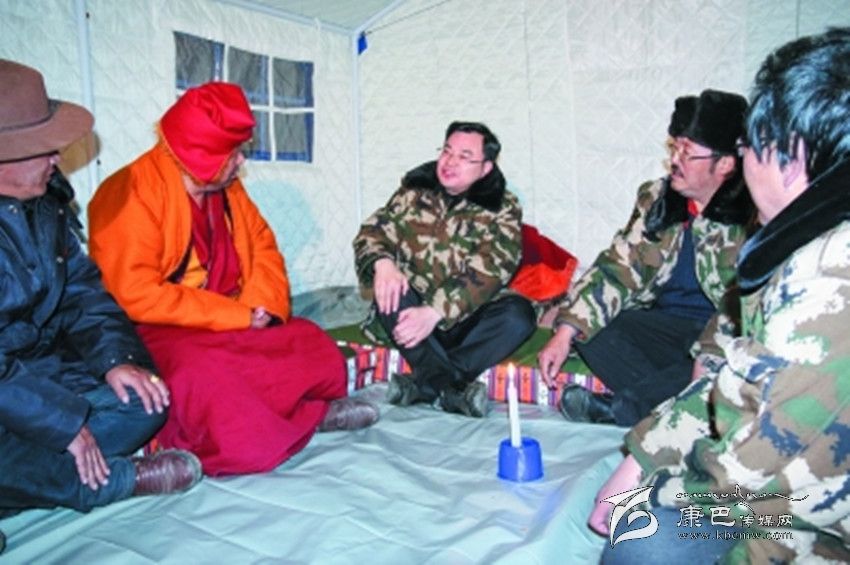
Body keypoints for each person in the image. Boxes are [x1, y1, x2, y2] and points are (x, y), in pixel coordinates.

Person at [591, 27, 850, 564]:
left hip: (798, 509)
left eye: (750, 146)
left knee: (642, 540)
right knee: (608, 335)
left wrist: (646, 492)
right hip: (773, 473)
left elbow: (740, 472)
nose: (675, 160)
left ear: (790, 156)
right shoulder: (799, 240)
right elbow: (731, 358)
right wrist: (643, 452)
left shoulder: (827, 279)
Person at [87, 82, 379, 477]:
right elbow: (133, 293)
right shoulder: (128, 192)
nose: (241, 162)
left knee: (310, 342)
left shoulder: (227, 187)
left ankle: (301, 414)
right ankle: (304, 416)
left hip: (230, 316)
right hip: (159, 327)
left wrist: (261, 306)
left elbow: (263, 246)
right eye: (235, 153)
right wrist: (235, 317)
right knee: (210, 375)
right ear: (203, 154)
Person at [0, 59, 201, 535]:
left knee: (145, 402)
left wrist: (117, 361)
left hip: (40, 376)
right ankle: (104, 483)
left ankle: (24, 483)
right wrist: (63, 425)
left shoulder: (48, 204)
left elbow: (83, 295)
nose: (56, 158)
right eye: (43, 149)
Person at [538, 89, 754, 426]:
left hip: (722, 334)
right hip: (664, 328)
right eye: (674, 147)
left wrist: (709, 354)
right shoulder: (659, 200)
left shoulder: (753, 211)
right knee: (590, 329)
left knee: (724, 359)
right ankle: (677, 405)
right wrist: (565, 333)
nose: (675, 160)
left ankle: (628, 408)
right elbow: (616, 268)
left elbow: (744, 305)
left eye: (687, 152)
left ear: (724, 163)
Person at [353, 121, 536, 418]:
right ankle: (452, 390)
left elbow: (493, 267)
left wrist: (436, 311)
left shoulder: (502, 207)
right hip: (413, 312)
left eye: (465, 156)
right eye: (447, 151)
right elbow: (373, 231)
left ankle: (427, 384)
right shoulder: (414, 192)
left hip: (466, 318)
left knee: (519, 316)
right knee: (389, 288)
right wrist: (382, 263)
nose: (450, 162)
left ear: (485, 168)